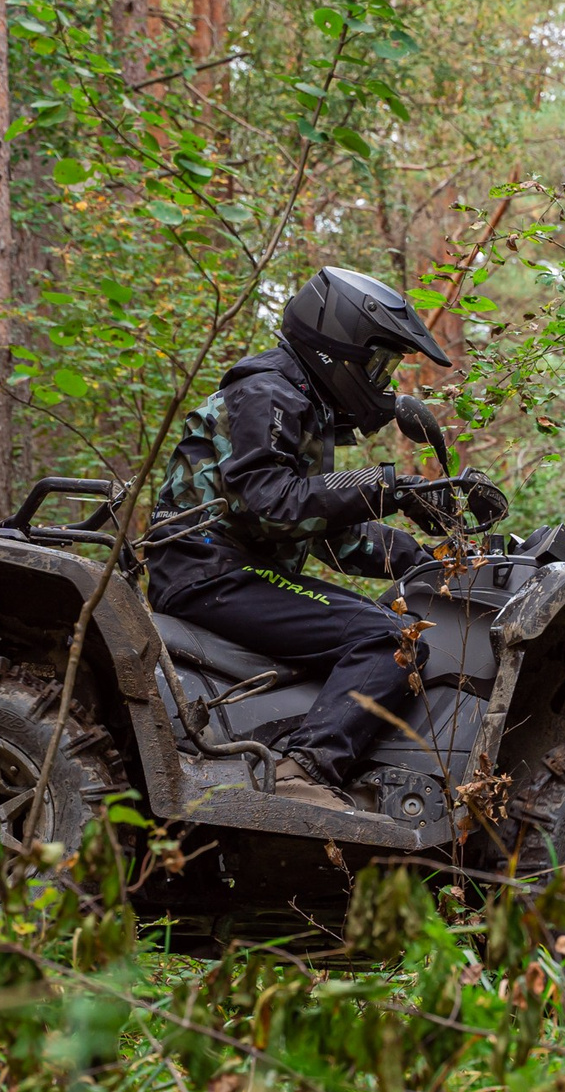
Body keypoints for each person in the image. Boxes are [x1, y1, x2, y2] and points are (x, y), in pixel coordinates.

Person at [147, 266, 452, 801]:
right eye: (378, 365)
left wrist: (430, 558)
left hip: (230, 572)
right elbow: (272, 503)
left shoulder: (298, 404)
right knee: (389, 640)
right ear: (342, 346)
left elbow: (335, 535)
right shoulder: (269, 393)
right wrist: (387, 487)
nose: (382, 382)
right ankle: (302, 772)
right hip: (211, 571)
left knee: (387, 621)